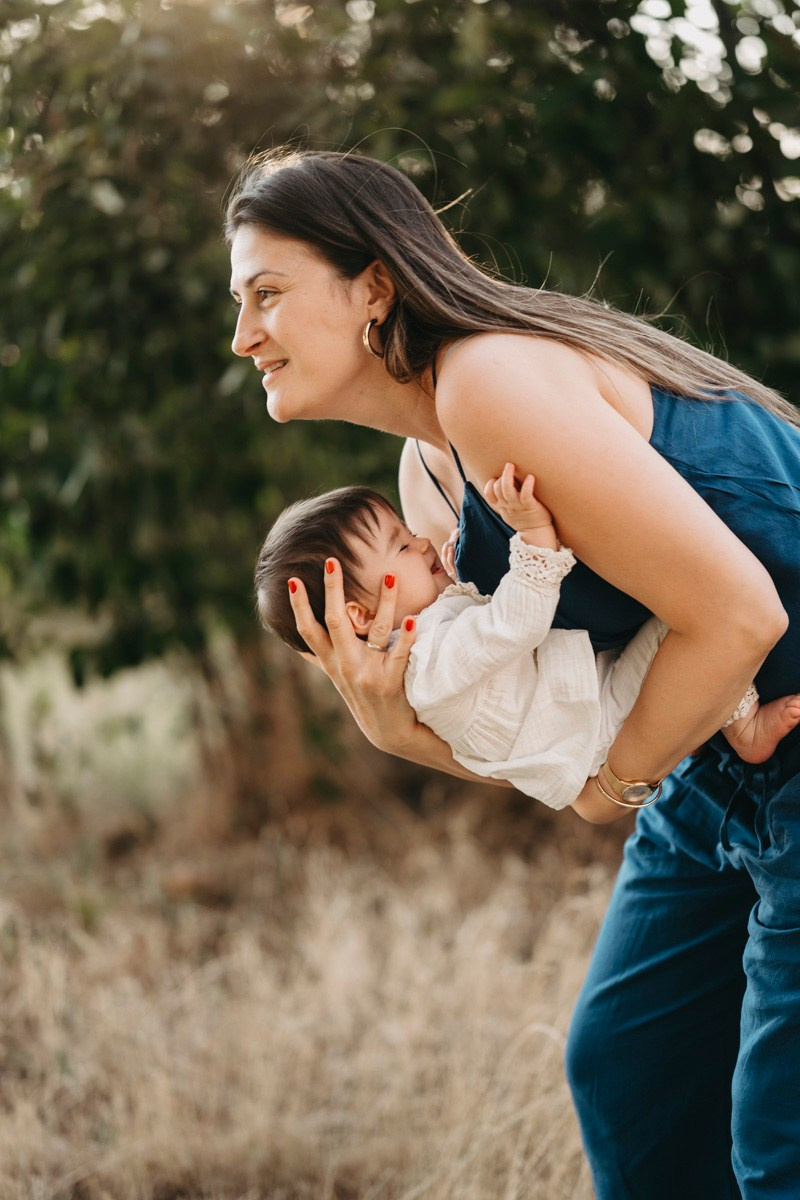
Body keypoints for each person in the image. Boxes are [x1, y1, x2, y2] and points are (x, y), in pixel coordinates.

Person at [226, 147, 800, 1198]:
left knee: (780, 1142)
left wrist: (603, 794)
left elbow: (738, 615)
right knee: (631, 1075)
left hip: (769, 714)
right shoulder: (428, 477)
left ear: (373, 288)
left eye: (266, 295)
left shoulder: (488, 382)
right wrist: (416, 734)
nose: (242, 336)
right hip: (715, 757)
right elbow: (544, 713)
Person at [255, 466, 800, 807]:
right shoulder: (426, 665)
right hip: (597, 727)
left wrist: (457, 582)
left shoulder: (426, 642)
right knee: (695, 615)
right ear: (355, 614)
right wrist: (534, 539)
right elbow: (511, 626)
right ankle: (743, 725)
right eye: (401, 547)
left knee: (684, 624)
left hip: (584, 709)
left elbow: (482, 636)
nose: (423, 543)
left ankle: (737, 719)